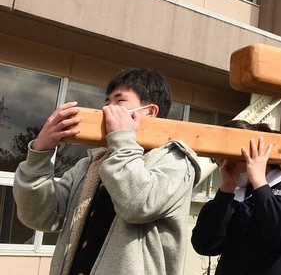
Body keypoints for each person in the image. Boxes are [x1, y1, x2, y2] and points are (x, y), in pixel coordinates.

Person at [13, 68, 201, 275]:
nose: (107, 109)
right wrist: (40, 154)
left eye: (119, 102)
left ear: (150, 111)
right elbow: (40, 217)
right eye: (106, 102)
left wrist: (121, 138)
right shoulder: (89, 164)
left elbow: (137, 205)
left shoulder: (176, 161)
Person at [192, 120, 281, 274]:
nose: (225, 166)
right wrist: (226, 188)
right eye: (219, 161)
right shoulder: (230, 196)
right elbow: (204, 244)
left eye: (231, 160)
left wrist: (259, 182)